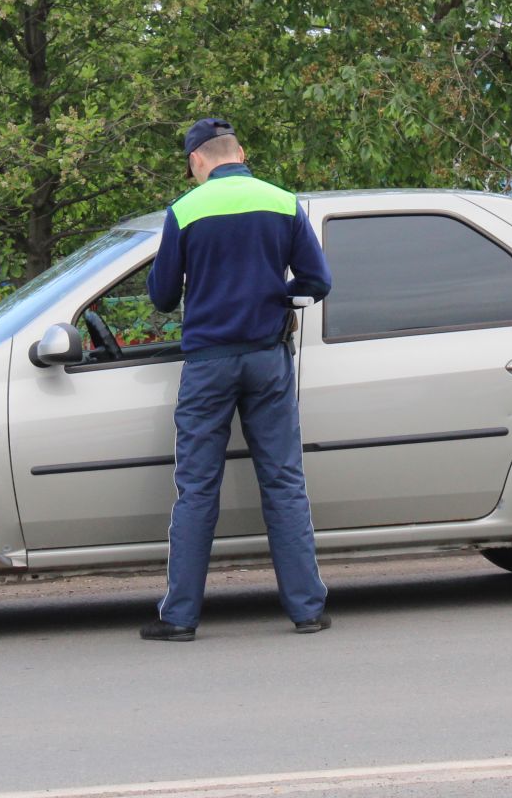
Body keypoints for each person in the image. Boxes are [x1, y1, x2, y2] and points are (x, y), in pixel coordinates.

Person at [140, 117, 333, 641]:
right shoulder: (282, 201)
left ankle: (180, 617)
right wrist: (276, 295)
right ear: (240, 152)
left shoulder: (185, 210)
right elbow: (318, 282)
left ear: (196, 161)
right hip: (267, 359)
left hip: (208, 364)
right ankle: (306, 610)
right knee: (284, 481)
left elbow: (161, 296)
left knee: (197, 488)